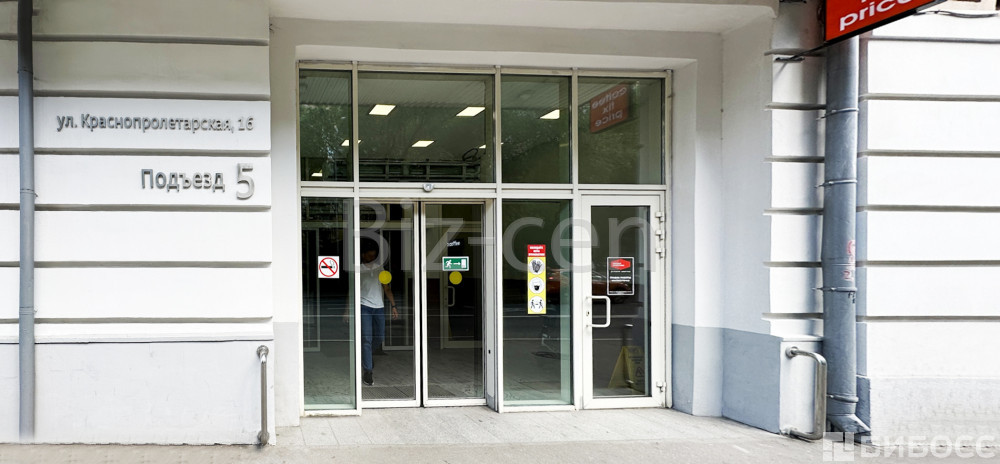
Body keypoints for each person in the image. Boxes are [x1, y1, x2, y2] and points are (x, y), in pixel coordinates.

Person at [358, 238, 398, 386]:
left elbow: (386, 288)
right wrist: (347, 310)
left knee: (380, 336)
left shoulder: (380, 269)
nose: (371, 258)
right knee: (366, 339)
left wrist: (393, 305)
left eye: (374, 256)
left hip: (379, 307)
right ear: (363, 255)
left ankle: (366, 355)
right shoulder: (359, 270)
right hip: (364, 307)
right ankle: (368, 371)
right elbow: (352, 290)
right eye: (369, 255)